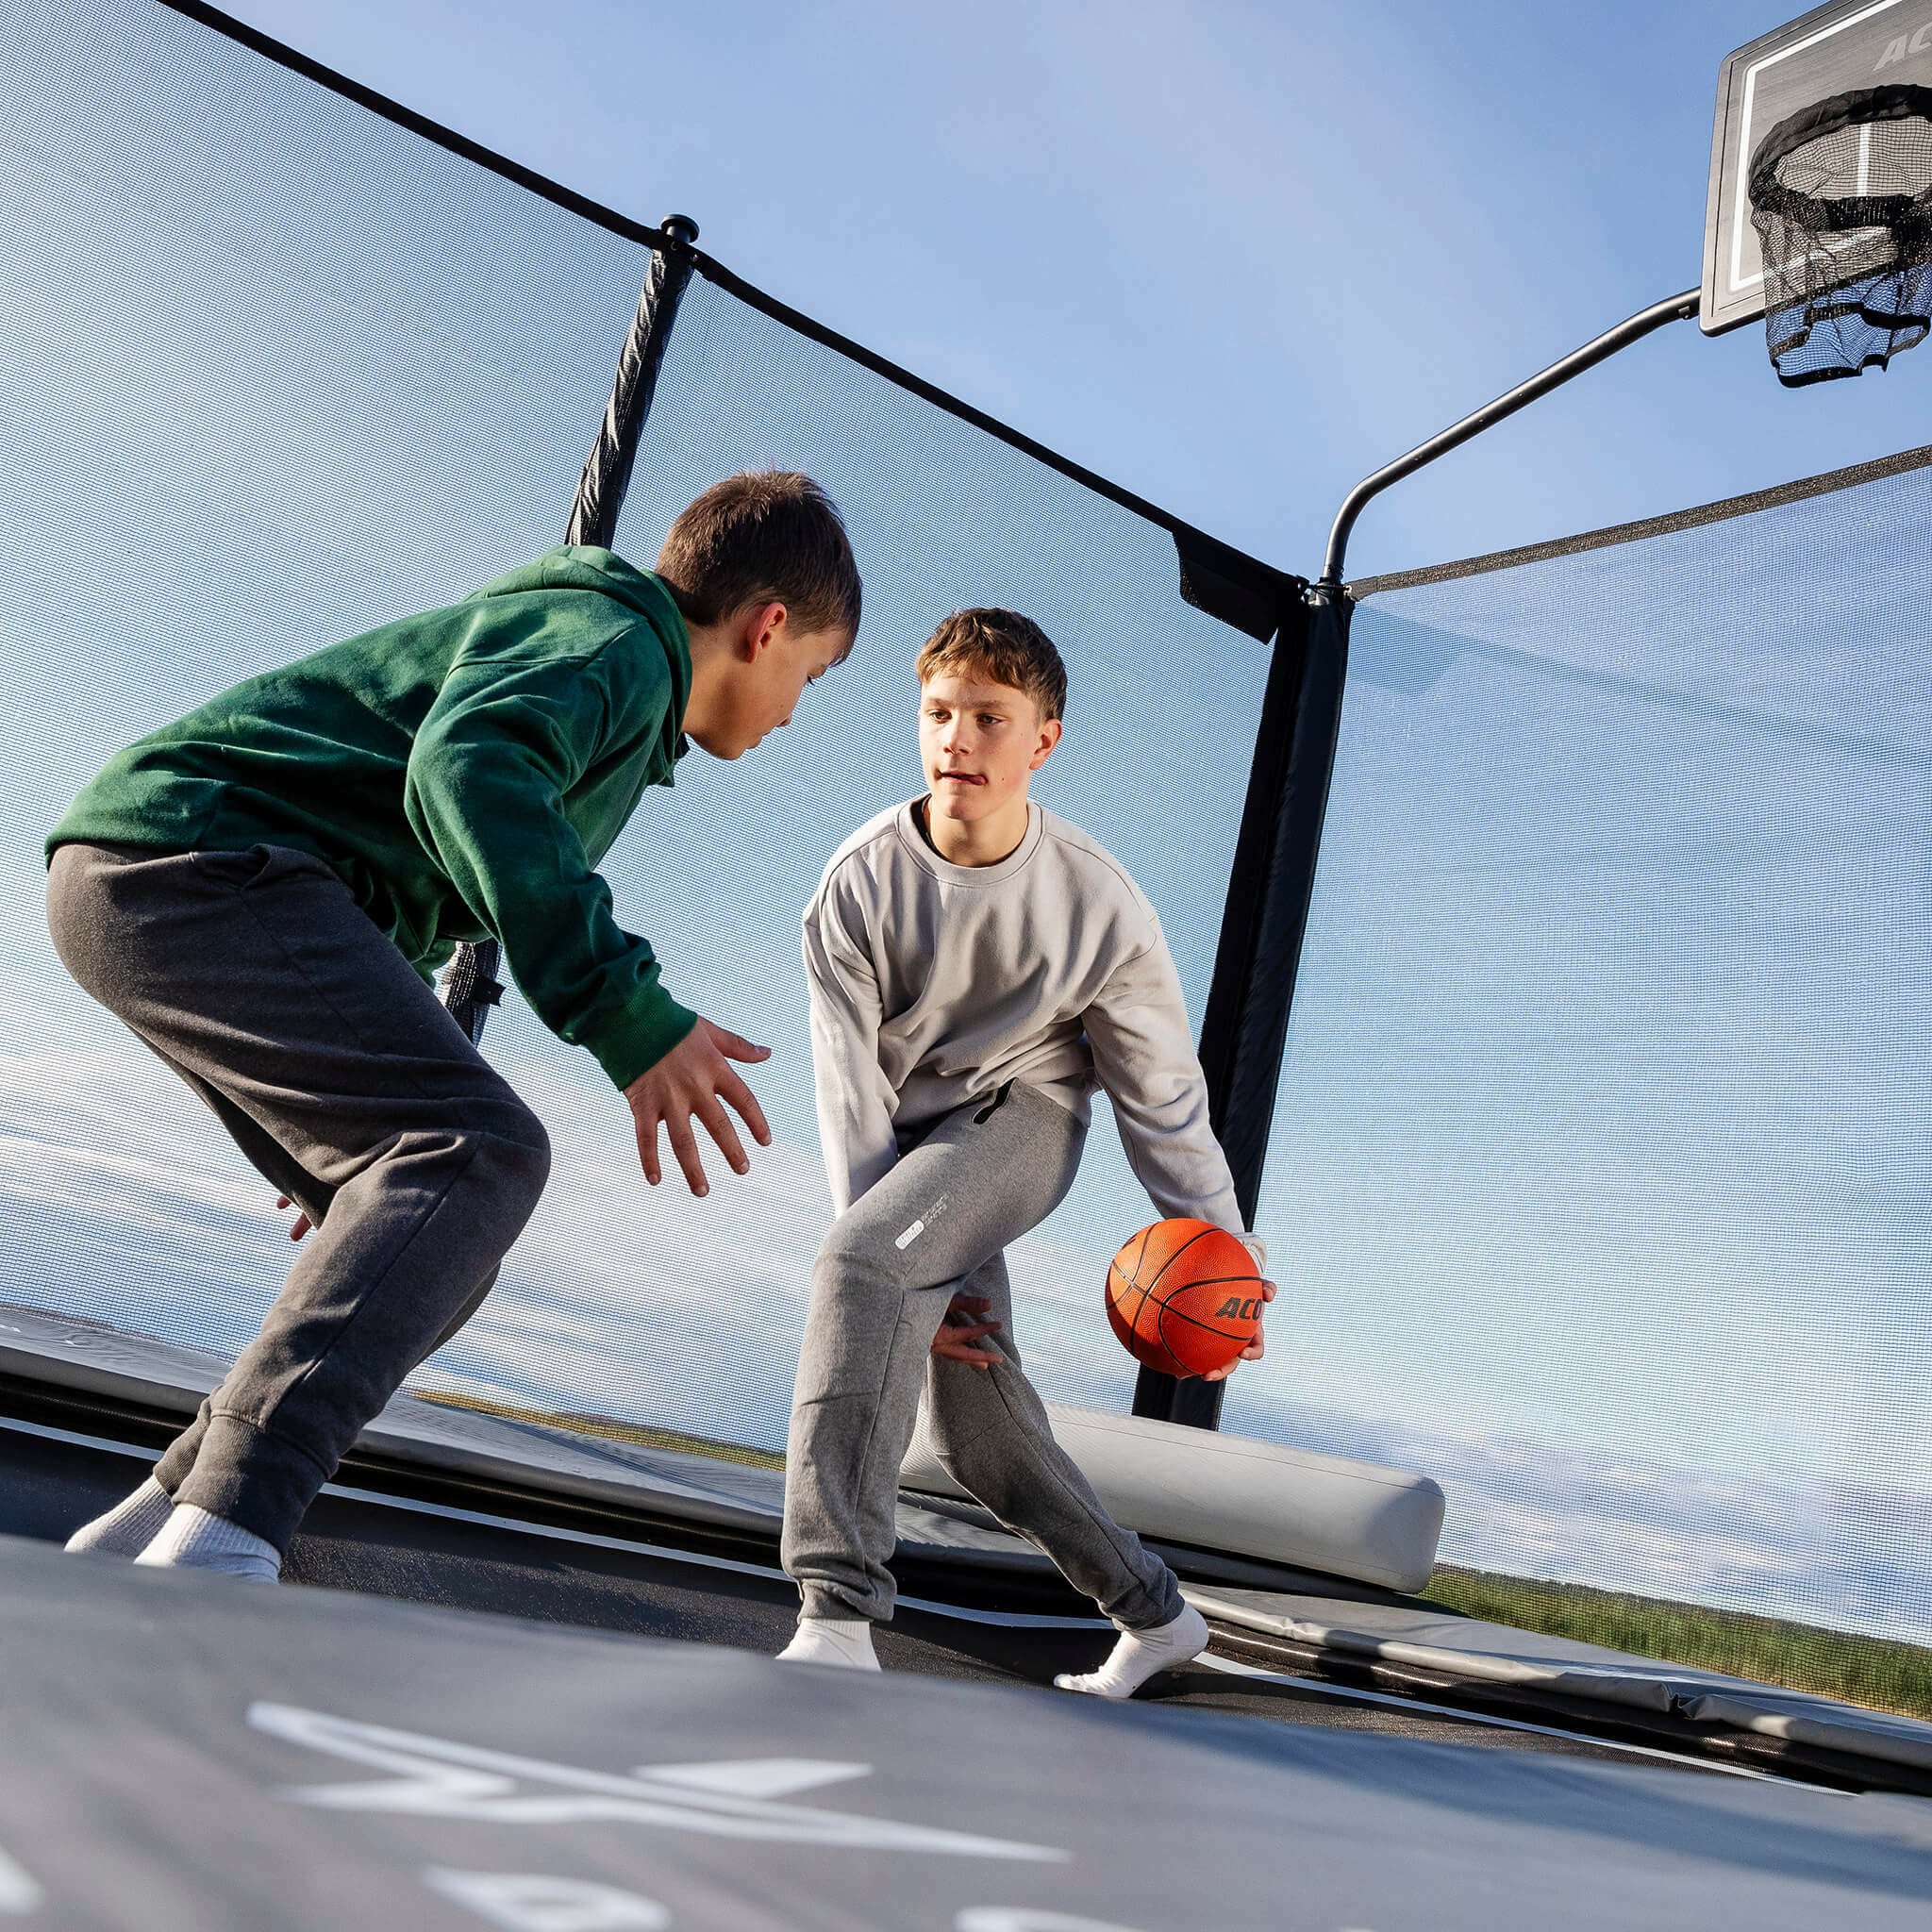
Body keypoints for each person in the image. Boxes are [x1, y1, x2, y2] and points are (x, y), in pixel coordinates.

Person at [47, 470, 861, 1583]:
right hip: (194, 860)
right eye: (806, 676)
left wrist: (356, 1090)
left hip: (155, 875)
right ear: (765, 628)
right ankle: (228, 1538)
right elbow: (470, 765)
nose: (790, 713)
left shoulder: (588, 652)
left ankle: (160, 1520)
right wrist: (624, 1010)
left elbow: (401, 867)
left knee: (441, 1238)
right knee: (481, 1152)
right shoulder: (617, 647)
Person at [778, 607, 1272, 1699]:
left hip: (1028, 1113)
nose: (956, 737)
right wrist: (911, 1263)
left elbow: (1161, 1096)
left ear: (1042, 739)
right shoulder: (855, 882)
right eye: (937, 713)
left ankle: (834, 1612)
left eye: (989, 718)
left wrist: (1228, 1257)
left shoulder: (1099, 902)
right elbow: (848, 1094)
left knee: (856, 1261)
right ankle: (1156, 1611)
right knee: (978, 1436)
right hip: (910, 1150)